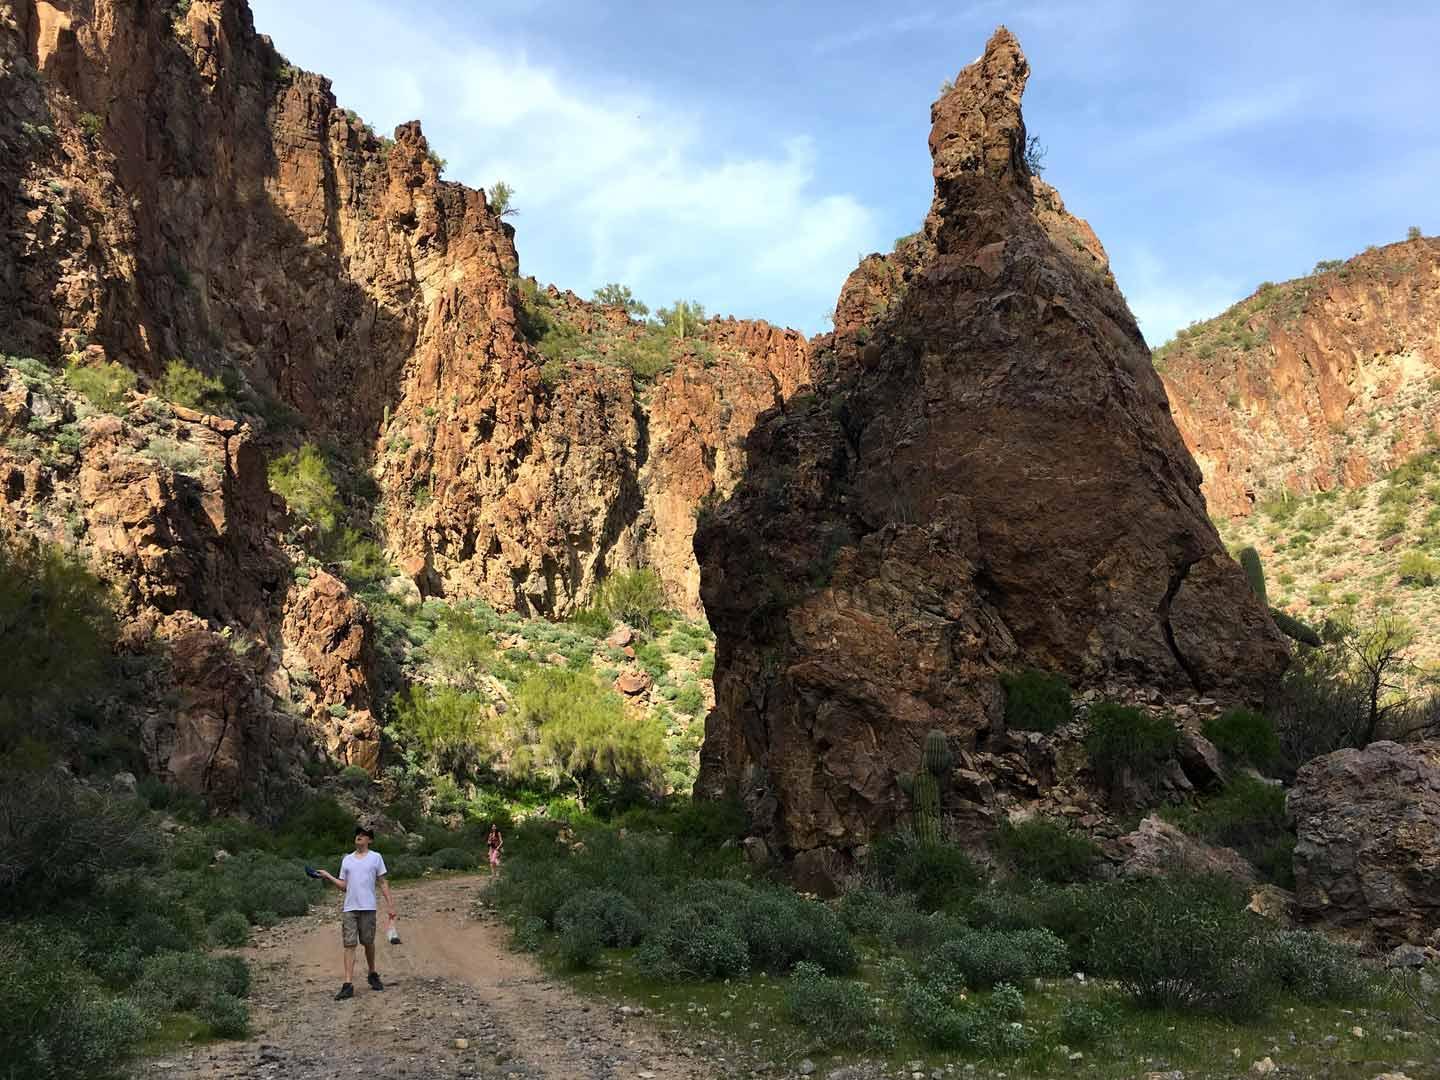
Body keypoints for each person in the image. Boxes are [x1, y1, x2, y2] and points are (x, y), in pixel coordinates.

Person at [315, 824, 396, 1001]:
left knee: (368, 942)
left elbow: (382, 882)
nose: (359, 836)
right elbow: (344, 886)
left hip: (368, 907)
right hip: (350, 908)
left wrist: (390, 904)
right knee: (349, 944)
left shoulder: (376, 858)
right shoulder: (347, 860)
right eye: (357, 834)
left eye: (363, 834)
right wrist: (328, 876)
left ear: (370, 840)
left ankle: (372, 973)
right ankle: (348, 984)